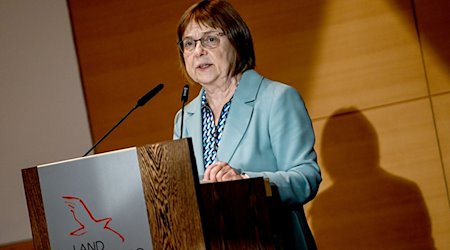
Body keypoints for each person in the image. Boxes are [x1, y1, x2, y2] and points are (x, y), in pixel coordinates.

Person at [173, 0, 321, 249]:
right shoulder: (184, 117)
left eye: (210, 39)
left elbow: (306, 177)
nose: (198, 51)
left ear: (237, 41)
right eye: (189, 43)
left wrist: (247, 182)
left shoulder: (276, 98)